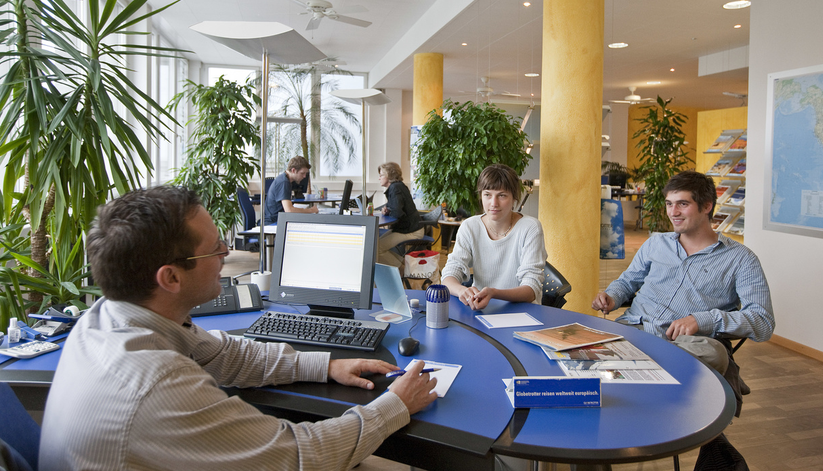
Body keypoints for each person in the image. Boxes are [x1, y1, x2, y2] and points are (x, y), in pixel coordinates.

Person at [40, 186, 438, 471]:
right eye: (214, 248)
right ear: (171, 277)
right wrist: (396, 405)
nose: (227, 253)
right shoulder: (156, 383)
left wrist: (326, 366)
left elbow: (224, 353)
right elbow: (300, 457)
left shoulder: (109, 317)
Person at [592, 170, 774, 434]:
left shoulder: (741, 259)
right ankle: (638, 401)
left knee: (713, 353)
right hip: (635, 331)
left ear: (707, 206)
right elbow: (628, 281)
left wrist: (703, 320)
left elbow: (762, 321)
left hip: (682, 344)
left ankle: (641, 400)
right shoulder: (656, 244)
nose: (673, 212)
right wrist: (611, 296)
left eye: (683, 204)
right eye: (669, 204)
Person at [442, 164, 547, 310]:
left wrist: (494, 293)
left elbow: (531, 290)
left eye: (502, 195)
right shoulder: (470, 226)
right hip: (481, 309)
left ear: (514, 198)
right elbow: (450, 273)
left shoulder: (530, 228)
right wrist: (461, 291)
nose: (494, 203)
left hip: (522, 312)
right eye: (487, 195)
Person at [377, 162, 424, 267]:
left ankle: (401, 270)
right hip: (408, 228)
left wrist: (389, 211)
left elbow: (397, 213)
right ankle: (405, 268)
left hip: (412, 231)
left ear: (389, 175)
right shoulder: (398, 186)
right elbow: (397, 208)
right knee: (376, 245)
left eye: (381, 175)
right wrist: (388, 210)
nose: (379, 178)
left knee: (377, 249)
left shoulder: (395, 188)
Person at [263, 156, 318, 224]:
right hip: (273, 222)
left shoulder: (285, 179)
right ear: (293, 170)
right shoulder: (284, 182)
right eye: (302, 173)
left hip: (278, 219)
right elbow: (289, 210)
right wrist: (311, 210)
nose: (304, 176)